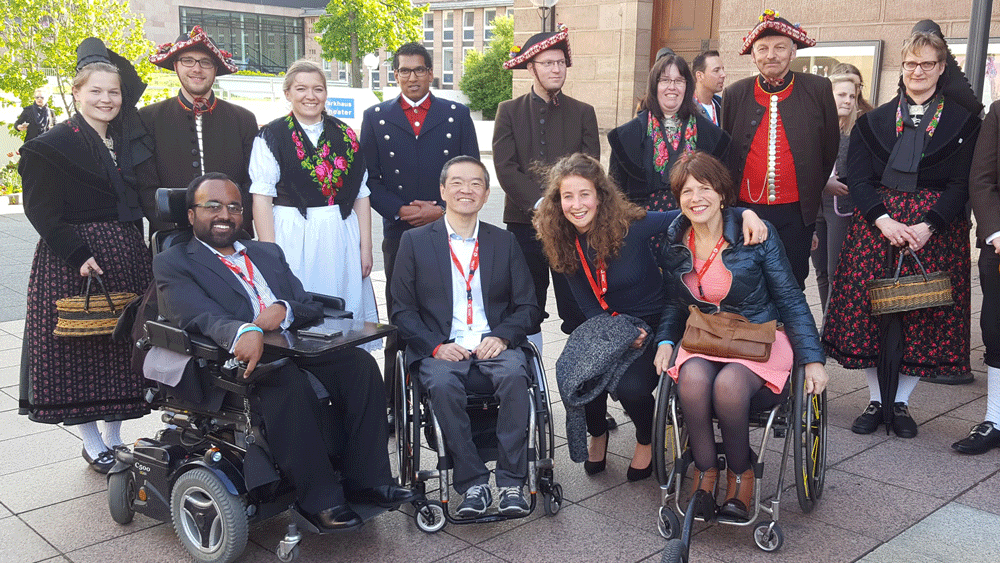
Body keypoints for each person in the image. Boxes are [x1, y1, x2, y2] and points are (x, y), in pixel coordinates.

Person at [154, 173, 417, 530]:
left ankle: (369, 481)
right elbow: (195, 315)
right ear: (190, 215)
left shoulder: (267, 252)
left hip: (295, 343)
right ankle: (318, 500)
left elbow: (305, 303)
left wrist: (283, 310)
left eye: (233, 207)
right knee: (286, 382)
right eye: (212, 206)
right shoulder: (174, 262)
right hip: (234, 358)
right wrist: (245, 329)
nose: (225, 215)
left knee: (360, 365)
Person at [532, 153, 768, 481]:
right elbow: (588, 305)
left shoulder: (633, 225)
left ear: (600, 195)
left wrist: (745, 212)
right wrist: (620, 332)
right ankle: (597, 433)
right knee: (580, 371)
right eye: (567, 196)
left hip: (657, 319)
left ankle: (645, 438)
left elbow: (691, 213)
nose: (576, 204)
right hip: (610, 323)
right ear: (557, 202)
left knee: (632, 387)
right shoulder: (561, 238)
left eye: (584, 194)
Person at [653, 151, 827, 521]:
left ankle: (741, 476)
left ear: (721, 194)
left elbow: (790, 298)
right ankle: (704, 474)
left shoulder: (757, 234)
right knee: (692, 381)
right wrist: (665, 341)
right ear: (677, 198)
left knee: (729, 386)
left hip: (758, 338)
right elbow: (673, 304)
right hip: (706, 338)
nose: (695, 198)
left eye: (704, 189)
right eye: (686, 191)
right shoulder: (674, 243)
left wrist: (812, 359)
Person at [823, 31, 980, 438]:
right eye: (911, 64)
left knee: (922, 316)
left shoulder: (964, 124)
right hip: (878, 230)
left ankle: (901, 403)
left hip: (933, 232)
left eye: (928, 64)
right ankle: (877, 400)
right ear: (902, 68)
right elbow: (858, 180)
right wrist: (884, 220)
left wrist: (928, 226)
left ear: (941, 68)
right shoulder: (872, 122)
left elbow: (962, 185)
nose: (918, 71)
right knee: (874, 314)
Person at [18, 38, 152, 473]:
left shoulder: (125, 138)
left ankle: (115, 439)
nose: (107, 99)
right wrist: (77, 253)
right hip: (76, 261)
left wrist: (101, 55)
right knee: (81, 352)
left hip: (126, 256)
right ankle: (93, 443)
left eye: (113, 92)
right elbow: (40, 210)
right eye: (95, 90)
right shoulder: (50, 144)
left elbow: (132, 80)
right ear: (76, 92)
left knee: (118, 350)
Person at [391, 156, 540, 517]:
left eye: (475, 183)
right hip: (441, 345)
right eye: (456, 183)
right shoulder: (413, 242)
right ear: (442, 191)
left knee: (514, 376)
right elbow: (401, 310)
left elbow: (528, 306)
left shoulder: (503, 242)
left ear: (487, 193)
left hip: (493, 341)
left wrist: (503, 337)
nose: (466, 190)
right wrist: (434, 346)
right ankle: (472, 483)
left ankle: (509, 483)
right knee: (442, 387)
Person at [361, 42, 479, 407]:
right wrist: (401, 211)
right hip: (400, 234)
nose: (411, 77)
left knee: (449, 305)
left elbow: (471, 172)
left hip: (450, 229)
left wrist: (442, 211)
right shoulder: (376, 117)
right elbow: (370, 179)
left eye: (419, 70)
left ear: (431, 72)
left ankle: (446, 389)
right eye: (404, 71)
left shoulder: (456, 115)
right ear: (394, 75)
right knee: (402, 316)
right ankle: (394, 401)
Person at [250, 60, 378, 350]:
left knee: (341, 305)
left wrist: (366, 248)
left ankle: (345, 365)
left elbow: (361, 193)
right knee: (301, 305)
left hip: (339, 232)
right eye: (301, 89)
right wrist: (271, 255)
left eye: (318, 89)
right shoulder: (272, 135)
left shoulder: (346, 135)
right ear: (287, 94)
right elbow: (262, 196)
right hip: (293, 232)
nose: (311, 96)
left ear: (326, 94)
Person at [494, 24, 600, 349]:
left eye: (561, 63)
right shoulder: (508, 111)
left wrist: (563, 208)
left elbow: (589, 168)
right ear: (531, 67)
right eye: (548, 63)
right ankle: (530, 385)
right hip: (525, 225)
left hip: (573, 226)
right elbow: (505, 167)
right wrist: (540, 206)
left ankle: (580, 382)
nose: (556, 69)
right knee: (526, 307)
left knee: (579, 309)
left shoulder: (584, 113)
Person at [721, 10, 839, 289]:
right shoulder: (735, 93)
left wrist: (809, 195)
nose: (770, 55)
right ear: (753, 55)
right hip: (746, 209)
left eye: (779, 47)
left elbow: (828, 149)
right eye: (762, 48)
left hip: (795, 213)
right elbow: (726, 150)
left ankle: (788, 333)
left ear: (793, 52)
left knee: (792, 281)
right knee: (746, 281)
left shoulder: (817, 88)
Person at [138, 26, 258, 235]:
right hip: (172, 239)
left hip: (233, 236)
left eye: (205, 62)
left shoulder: (243, 119)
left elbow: (252, 184)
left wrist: (230, 225)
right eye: (188, 60)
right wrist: (173, 230)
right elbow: (146, 187)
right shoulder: (148, 118)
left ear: (215, 69)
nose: (196, 69)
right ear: (176, 66)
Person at [608, 54, 730, 251]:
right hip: (642, 233)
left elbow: (724, 193)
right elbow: (614, 194)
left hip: (696, 231)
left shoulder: (712, 136)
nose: (672, 87)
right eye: (664, 80)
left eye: (679, 81)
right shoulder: (627, 137)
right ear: (654, 85)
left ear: (687, 87)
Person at [953, 99, 1000, 454]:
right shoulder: (999, 112)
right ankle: (995, 419)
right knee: (996, 330)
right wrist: (995, 232)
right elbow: (981, 178)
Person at [810, 70, 861, 313]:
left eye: (852, 96)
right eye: (841, 94)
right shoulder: (815, 127)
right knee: (819, 269)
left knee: (835, 271)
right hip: (814, 202)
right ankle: (826, 321)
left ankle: (831, 330)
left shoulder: (857, 132)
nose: (848, 101)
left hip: (841, 204)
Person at [692, 51, 725, 126]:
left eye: (723, 69)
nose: (723, 75)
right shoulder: (685, 107)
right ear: (699, 76)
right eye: (716, 70)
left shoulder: (722, 105)